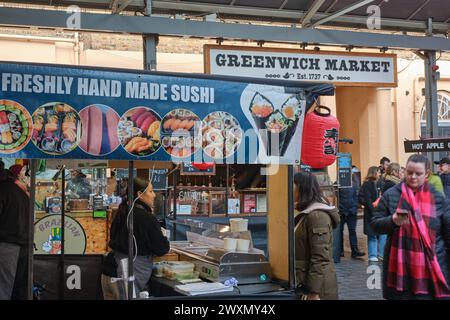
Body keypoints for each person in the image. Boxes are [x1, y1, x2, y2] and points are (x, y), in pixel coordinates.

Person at [371, 154, 450, 300]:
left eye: (418, 173)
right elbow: (375, 224)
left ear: (427, 174)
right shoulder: (391, 195)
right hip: (400, 273)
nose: (413, 177)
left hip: (431, 271)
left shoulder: (438, 198)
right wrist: (392, 221)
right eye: (409, 172)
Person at [109, 177, 170, 299]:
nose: (154, 195)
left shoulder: (121, 211)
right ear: (140, 195)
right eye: (151, 191)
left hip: (112, 268)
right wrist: (163, 236)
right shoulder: (146, 218)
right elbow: (162, 248)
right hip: (131, 270)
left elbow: (112, 237)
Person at [294, 171, 340, 300]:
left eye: (293, 184)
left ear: (302, 187)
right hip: (305, 280)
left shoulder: (317, 215)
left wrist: (313, 291)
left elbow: (320, 257)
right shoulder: (303, 211)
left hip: (318, 288)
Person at [0, 168, 30, 300]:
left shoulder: (3, 191)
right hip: (23, 245)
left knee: (4, 289)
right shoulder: (18, 191)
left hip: (8, 246)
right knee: (18, 289)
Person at [359, 166, 386, 262]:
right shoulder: (367, 185)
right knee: (372, 235)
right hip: (371, 213)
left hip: (380, 213)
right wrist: (372, 209)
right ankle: (373, 254)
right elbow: (366, 199)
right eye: (378, 172)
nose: (380, 174)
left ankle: (381, 254)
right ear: (374, 173)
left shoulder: (381, 183)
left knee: (383, 233)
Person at [338, 172, 365, 259]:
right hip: (344, 211)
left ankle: (353, 250)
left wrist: (354, 206)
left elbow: (356, 196)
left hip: (349, 211)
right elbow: (336, 197)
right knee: (342, 232)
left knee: (351, 231)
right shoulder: (339, 184)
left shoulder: (353, 184)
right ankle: (342, 250)